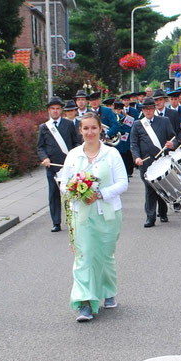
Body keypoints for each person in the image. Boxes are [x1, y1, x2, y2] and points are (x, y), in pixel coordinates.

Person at [56, 113, 129, 322]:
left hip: (107, 214)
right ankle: (85, 302)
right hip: (81, 215)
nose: (90, 132)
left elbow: (123, 183)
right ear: (80, 131)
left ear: (100, 130)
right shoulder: (73, 156)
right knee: (84, 256)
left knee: (105, 256)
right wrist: (77, 192)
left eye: (93, 128)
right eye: (85, 128)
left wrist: (99, 194)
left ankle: (107, 290)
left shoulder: (112, 154)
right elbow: (64, 183)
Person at [130, 96, 177, 227]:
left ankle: (163, 212)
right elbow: (133, 144)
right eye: (145, 109)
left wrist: (172, 144)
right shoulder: (137, 124)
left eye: (151, 108)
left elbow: (174, 137)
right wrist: (137, 158)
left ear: (154, 108)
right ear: (143, 110)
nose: (148, 111)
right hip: (146, 163)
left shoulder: (164, 121)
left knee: (161, 188)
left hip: (162, 161)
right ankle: (150, 217)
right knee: (149, 189)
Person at [37, 96, 81, 233]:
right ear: (49, 110)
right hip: (52, 167)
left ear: (61, 110)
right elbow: (40, 147)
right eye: (52, 109)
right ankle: (56, 222)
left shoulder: (68, 125)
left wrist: (75, 158)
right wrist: (44, 158)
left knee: (69, 194)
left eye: (57, 109)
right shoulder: (44, 127)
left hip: (67, 167)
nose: (55, 111)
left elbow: (76, 142)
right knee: (54, 194)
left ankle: (71, 219)